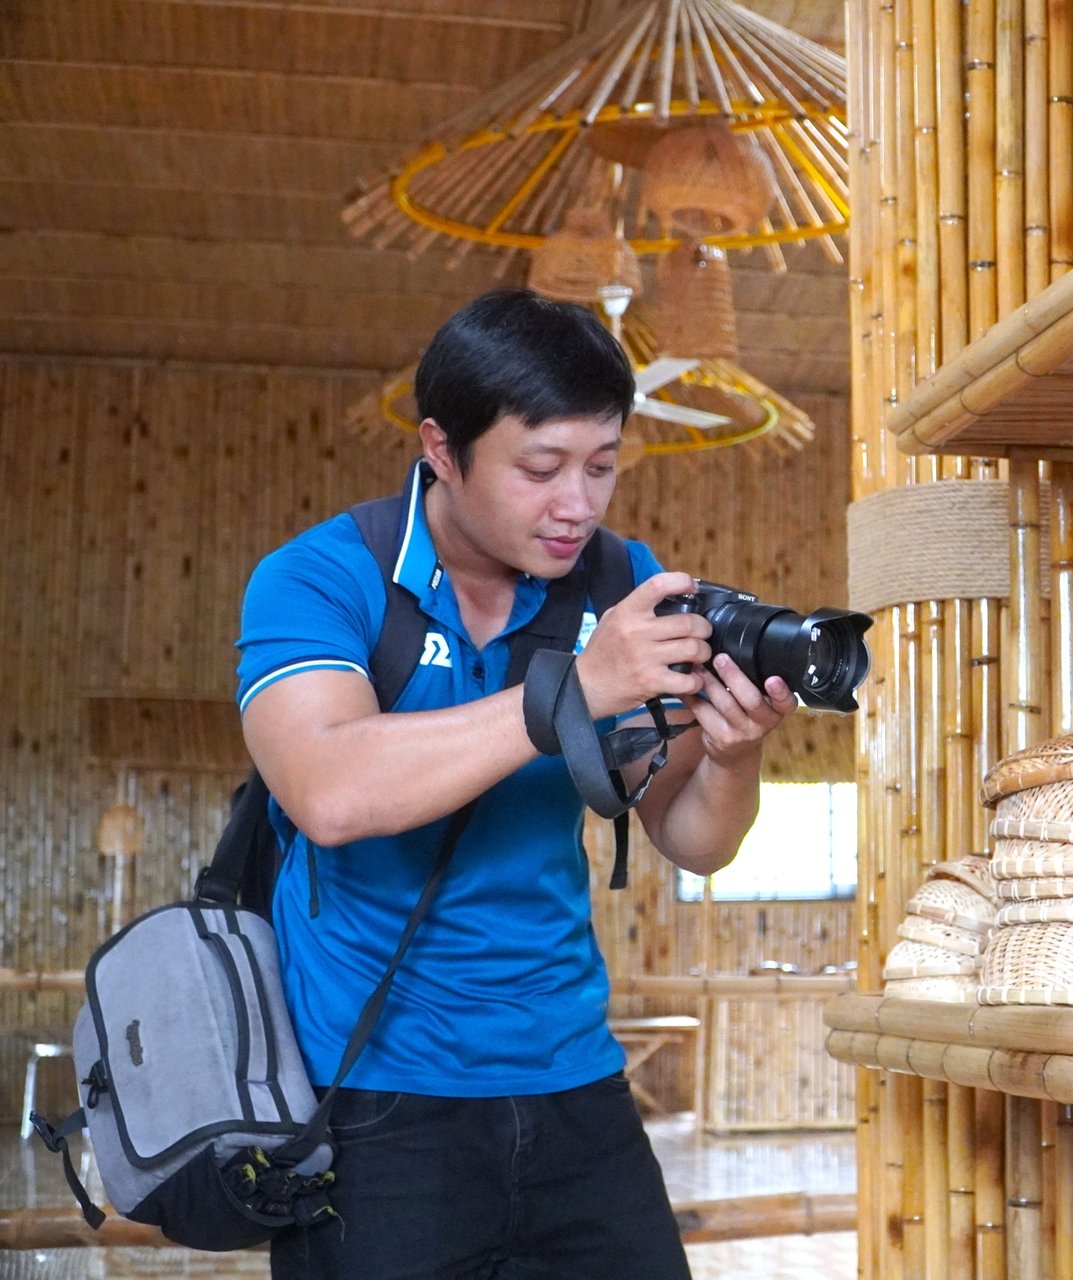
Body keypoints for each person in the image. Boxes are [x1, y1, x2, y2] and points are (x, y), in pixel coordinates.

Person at [235, 288, 793, 1278]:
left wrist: (735, 751)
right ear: (442, 450)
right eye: (541, 468)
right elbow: (327, 789)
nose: (578, 503)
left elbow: (692, 833)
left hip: (575, 1077)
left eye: (603, 465)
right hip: (374, 1096)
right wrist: (570, 687)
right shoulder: (322, 577)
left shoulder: (618, 583)